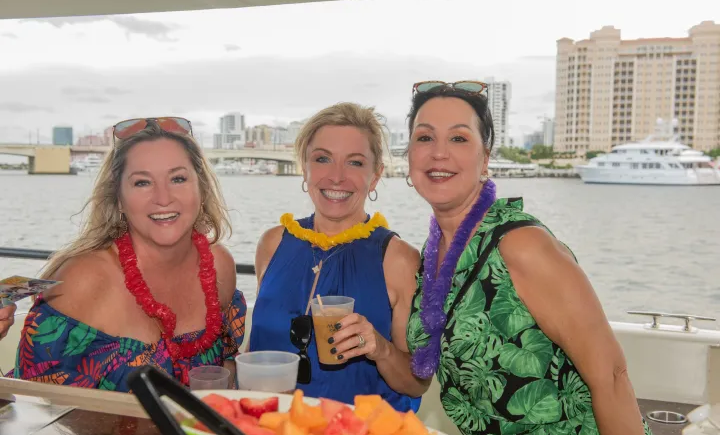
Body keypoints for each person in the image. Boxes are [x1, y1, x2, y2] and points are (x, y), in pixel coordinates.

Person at [403, 81, 658, 435]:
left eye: (459, 138)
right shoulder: (434, 254)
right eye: (425, 137)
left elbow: (612, 375)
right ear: (409, 155)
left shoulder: (521, 243)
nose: (439, 153)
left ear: (484, 159)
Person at [13, 117, 246, 390]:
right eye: (142, 183)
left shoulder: (219, 265)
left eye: (178, 178)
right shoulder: (83, 278)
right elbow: (35, 406)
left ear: (201, 189)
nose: (163, 197)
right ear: (119, 199)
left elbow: (225, 368)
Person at [251, 103, 424, 411]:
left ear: (375, 177)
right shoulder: (272, 243)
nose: (336, 177)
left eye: (355, 163)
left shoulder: (399, 260)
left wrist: (380, 349)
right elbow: (257, 349)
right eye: (322, 159)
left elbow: (416, 382)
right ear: (304, 168)